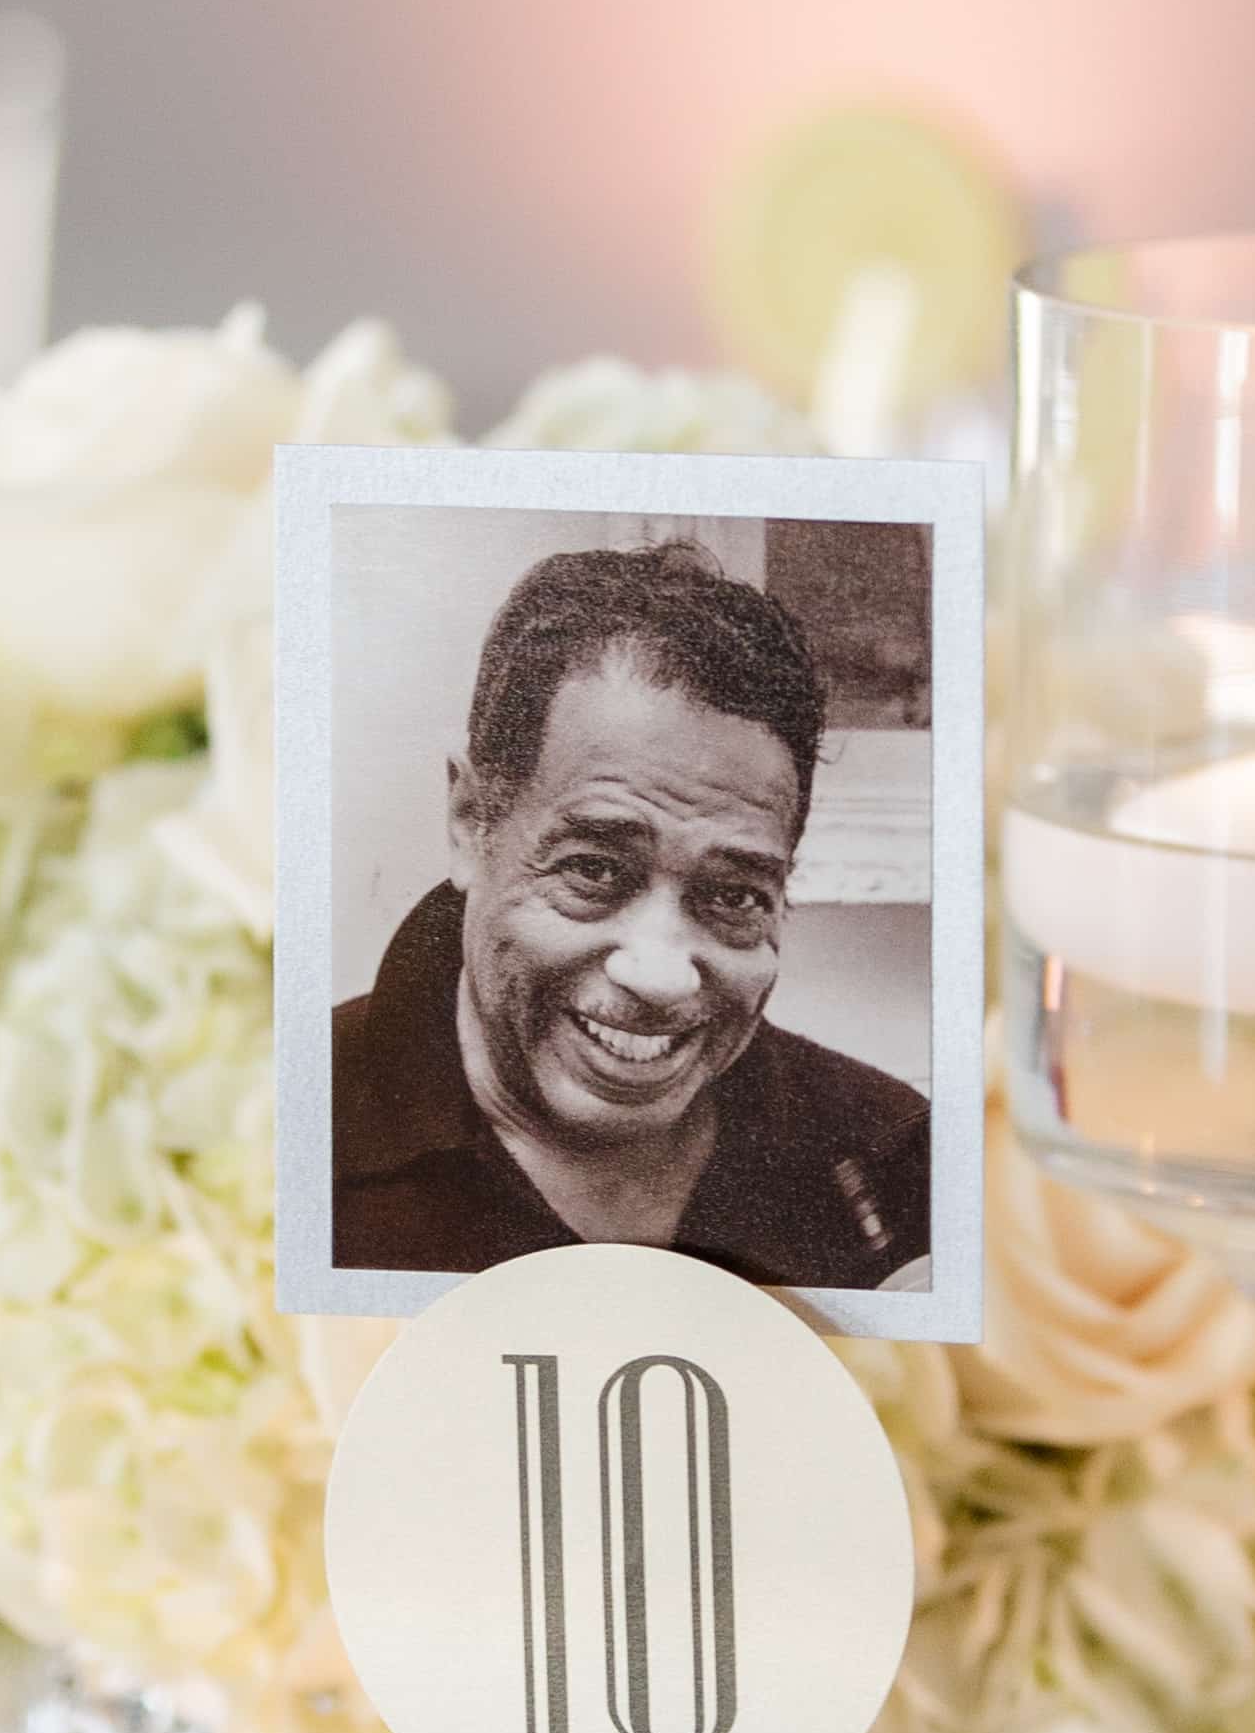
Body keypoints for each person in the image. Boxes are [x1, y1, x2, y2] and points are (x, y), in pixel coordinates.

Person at [331, 534, 931, 1289]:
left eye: (733, 896)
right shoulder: (289, 1128)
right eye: (594, 870)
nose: (661, 975)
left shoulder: (894, 1156)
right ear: (471, 821)